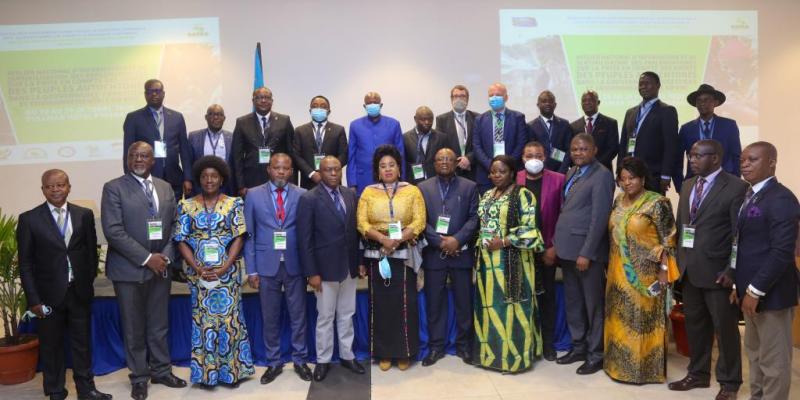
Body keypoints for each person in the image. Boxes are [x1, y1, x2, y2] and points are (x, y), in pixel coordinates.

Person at [102, 142, 186, 400]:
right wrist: (148, 258)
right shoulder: (114, 188)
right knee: (133, 327)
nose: (138, 159)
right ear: (127, 159)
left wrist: (166, 258)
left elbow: (175, 226)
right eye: (133, 155)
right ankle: (139, 377)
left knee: (159, 324)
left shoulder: (165, 187)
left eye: (144, 155)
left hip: (161, 268)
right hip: (128, 271)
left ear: (153, 160)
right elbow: (113, 231)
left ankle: (161, 370)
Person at [17, 170, 111, 400]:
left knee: (82, 344)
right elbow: (26, 264)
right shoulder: (29, 219)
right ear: (43, 190)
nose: (56, 189)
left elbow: (91, 253)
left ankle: (86, 389)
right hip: (47, 296)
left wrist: (86, 281)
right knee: (51, 346)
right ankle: (56, 390)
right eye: (50, 186)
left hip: (78, 292)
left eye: (61, 185)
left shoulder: (84, 215)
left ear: (69, 187)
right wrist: (34, 300)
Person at [669, 140, 747, 399]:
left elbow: (739, 235)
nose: (691, 160)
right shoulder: (688, 184)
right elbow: (683, 227)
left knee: (725, 330)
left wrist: (732, 270)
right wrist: (678, 263)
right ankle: (698, 374)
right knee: (696, 326)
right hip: (689, 270)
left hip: (718, 273)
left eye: (698, 156)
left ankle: (730, 382)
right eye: (690, 155)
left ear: (715, 158)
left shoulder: (736, 187)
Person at [173, 156, 254, 387]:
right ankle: (207, 374)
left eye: (214, 176)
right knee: (204, 322)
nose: (209, 180)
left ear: (221, 179)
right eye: (204, 176)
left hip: (227, 274)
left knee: (230, 322)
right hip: (199, 275)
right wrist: (198, 268)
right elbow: (181, 239)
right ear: (199, 179)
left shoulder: (234, 203)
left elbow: (239, 235)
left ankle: (231, 373)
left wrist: (226, 266)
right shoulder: (186, 205)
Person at [732, 142, 799, 400]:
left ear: (772, 162)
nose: (745, 164)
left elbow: (782, 251)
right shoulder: (750, 194)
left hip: (771, 295)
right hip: (749, 293)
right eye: (742, 159)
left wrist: (755, 290)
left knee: (774, 361)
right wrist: (738, 285)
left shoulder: (781, 198)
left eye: (753, 159)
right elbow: (745, 244)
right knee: (755, 353)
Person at [604, 156, 680, 384]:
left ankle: (643, 371)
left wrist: (664, 272)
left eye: (632, 178)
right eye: (623, 178)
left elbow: (669, 240)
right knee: (618, 319)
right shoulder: (618, 201)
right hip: (617, 273)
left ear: (643, 178)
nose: (627, 183)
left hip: (645, 276)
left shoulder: (657, 203)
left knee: (641, 322)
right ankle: (616, 367)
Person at [243, 153, 312, 384]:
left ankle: (300, 360)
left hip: (295, 264)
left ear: (292, 171)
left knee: (298, 315)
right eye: (276, 167)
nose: (281, 172)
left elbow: (306, 234)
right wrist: (251, 270)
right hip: (265, 265)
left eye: (285, 168)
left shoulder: (303, 195)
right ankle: (273, 362)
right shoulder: (253, 195)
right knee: (269, 316)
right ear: (269, 169)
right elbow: (249, 235)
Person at [356, 144, 426, 371]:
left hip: (404, 253)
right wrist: (382, 239)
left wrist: (398, 239)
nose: (387, 169)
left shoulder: (412, 190)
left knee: (405, 303)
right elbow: (361, 223)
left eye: (392, 165)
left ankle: (404, 352)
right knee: (381, 304)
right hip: (378, 253)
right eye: (383, 166)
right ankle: (384, 352)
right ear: (377, 170)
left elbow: (419, 222)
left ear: (399, 168)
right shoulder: (368, 192)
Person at [297, 156, 366, 381]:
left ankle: (347, 356)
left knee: (347, 314)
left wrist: (361, 262)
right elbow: (304, 240)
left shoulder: (350, 195)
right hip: (323, 271)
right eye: (329, 170)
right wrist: (311, 273)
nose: (334, 173)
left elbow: (355, 233)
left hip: (349, 267)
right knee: (325, 317)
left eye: (337, 169)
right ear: (320, 172)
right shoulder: (309, 198)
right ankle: (323, 360)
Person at [474, 155, 544, 373]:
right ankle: (491, 356)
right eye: (493, 172)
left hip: (513, 262)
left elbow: (531, 229)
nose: (496, 175)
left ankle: (515, 359)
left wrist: (503, 241)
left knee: (513, 307)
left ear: (512, 172)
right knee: (490, 309)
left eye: (501, 171)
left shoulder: (523, 195)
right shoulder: (486, 195)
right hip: (487, 263)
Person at [553, 133, 614, 375]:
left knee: (593, 305)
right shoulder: (572, 172)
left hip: (586, 254)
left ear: (595, 150)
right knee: (574, 302)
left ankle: (596, 354)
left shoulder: (602, 175)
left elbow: (599, 219)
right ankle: (578, 346)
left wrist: (586, 253)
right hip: (567, 251)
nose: (578, 153)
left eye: (583, 149)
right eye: (574, 149)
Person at [418, 148, 479, 366]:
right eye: (440, 159)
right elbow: (420, 220)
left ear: (456, 162)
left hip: (461, 253)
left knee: (464, 302)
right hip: (434, 254)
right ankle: (436, 347)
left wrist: (457, 240)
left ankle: (464, 347)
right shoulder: (422, 188)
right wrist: (440, 241)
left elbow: (474, 218)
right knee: (435, 304)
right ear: (433, 163)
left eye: (449, 159)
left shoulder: (470, 186)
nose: (444, 162)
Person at [515, 141, 565, 361]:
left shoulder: (559, 180)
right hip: (519, 251)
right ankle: (526, 342)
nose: (533, 159)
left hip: (547, 250)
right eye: (528, 155)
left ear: (545, 157)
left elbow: (564, 216)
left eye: (538, 155)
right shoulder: (514, 179)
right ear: (522, 158)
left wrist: (554, 246)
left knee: (546, 298)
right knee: (522, 297)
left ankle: (547, 343)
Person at [122, 79, 192, 198]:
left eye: (157, 91)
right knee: (150, 215)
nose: (154, 94)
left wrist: (188, 178)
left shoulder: (177, 117)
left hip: (173, 178)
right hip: (145, 177)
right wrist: (131, 179)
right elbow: (128, 152)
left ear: (163, 94)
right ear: (145, 95)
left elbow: (184, 151)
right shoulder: (134, 118)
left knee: (172, 214)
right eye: (150, 91)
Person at [618, 72, 679, 194]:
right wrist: (619, 172)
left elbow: (671, 146)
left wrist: (666, 175)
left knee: (650, 212)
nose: (643, 87)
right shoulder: (630, 112)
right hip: (629, 176)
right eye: (640, 84)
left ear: (658, 86)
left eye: (647, 83)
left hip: (653, 175)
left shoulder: (667, 111)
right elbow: (624, 143)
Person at [674, 84, 742, 189]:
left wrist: (736, 183)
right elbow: (677, 159)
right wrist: (680, 186)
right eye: (699, 101)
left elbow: (736, 155)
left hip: (724, 182)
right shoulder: (686, 128)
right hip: (695, 182)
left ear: (715, 102)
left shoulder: (729, 125)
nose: (702, 103)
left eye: (707, 100)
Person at [231, 87, 295, 196]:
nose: (263, 101)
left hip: (279, 178)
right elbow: (236, 157)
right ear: (253, 101)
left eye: (267, 97)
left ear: (272, 101)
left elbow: (291, 153)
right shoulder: (242, 122)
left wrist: (291, 182)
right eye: (259, 98)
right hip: (251, 179)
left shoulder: (284, 120)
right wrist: (240, 185)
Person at [472, 83, 528, 192]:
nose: (494, 98)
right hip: (486, 175)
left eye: (498, 95)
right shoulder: (479, 120)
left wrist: (507, 166)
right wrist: (493, 167)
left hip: (511, 175)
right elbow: (476, 146)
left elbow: (521, 144)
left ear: (506, 97)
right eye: (491, 95)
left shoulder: (518, 118)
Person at [347, 92, 406, 196]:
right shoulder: (355, 125)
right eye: (369, 103)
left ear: (381, 105)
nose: (372, 105)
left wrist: (402, 179)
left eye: (375, 102)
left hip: (389, 179)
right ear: (364, 106)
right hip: (363, 180)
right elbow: (351, 155)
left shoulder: (393, 124)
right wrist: (352, 182)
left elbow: (400, 155)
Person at [292, 95, 348, 190]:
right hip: (308, 182)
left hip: (332, 181)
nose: (319, 109)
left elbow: (344, 155)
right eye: (315, 106)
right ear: (310, 111)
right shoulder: (300, 131)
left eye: (323, 106)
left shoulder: (339, 130)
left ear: (329, 111)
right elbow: (296, 156)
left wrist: (330, 171)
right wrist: (312, 173)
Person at [403, 106, 460, 184]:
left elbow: (449, 160)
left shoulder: (442, 138)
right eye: (423, 119)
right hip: (413, 184)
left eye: (430, 119)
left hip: (437, 183)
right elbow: (403, 162)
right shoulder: (405, 138)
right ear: (415, 119)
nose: (427, 122)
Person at [187, 104, 235, 195]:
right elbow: (188, 162)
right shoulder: (194, 137)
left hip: (225, 188)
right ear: (206, 117)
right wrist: (188, 180)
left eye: (219, 115)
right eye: (212, 114)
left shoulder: (232, 138)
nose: (216, 117)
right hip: (201, 187)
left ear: (224, 118)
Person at [435, 85, 480, 180]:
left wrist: (469, 159)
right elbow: (440, 145)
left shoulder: (477, 118)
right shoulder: (441, 119)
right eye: (456, 96)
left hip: (472, 169)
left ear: (467, 99)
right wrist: (456, 161)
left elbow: (481, 143)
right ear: (451, 99)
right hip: (450, 170)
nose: (459, 99)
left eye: (462, 96)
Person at [570, 90, 619, 174]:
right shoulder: (573, 126)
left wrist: (594, 165)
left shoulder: (610, 123)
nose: (587, 103)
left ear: (598, 102)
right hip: (580, 172)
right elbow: (571, 150)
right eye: (584, 101)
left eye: (590, 100)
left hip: (603, 170)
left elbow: (613, 148)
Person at [527, 90, 574, 173]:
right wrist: (543, 170)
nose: (547, 103)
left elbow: (569, 150)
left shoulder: (564, 124)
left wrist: (562, 170)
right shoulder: (530, 126)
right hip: (539, 170)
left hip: (562, 170)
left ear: (555, 105)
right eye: (544, 101)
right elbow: (530, 151)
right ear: (538, 105)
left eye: (550, 101)